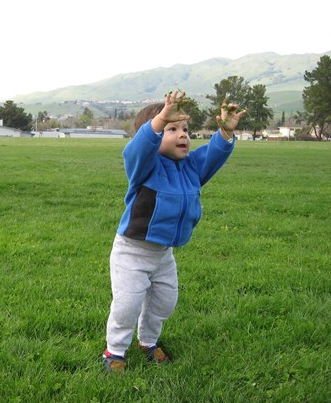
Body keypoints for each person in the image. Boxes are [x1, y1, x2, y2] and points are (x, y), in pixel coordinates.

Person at [102, 90, 246, 373]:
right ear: (154, 134)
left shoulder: (191, 168)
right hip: (132, 251)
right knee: (127, 306)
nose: (183, 135)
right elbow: (136, 149)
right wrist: (158, 121)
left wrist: (225, 132)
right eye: (172, 129)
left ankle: (148, 342)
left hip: (163, 255)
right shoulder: (145, 167)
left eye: (185, 129)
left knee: (164, 303)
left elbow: (213, 155)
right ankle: (114, 351)